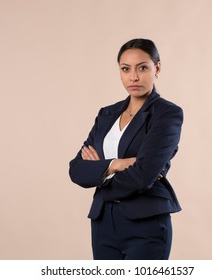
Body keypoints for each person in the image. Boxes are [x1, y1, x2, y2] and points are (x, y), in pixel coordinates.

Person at [69, 38, 183, 260]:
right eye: (126, 69)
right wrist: (116, 165)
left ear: (156, 68)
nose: (134, 76)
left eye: (142, 67)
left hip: (145, 223)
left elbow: (143, 176)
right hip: (103, 223)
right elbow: (76, 169)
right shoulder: (107, 114)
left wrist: (100, 175)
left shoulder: (167, 114)